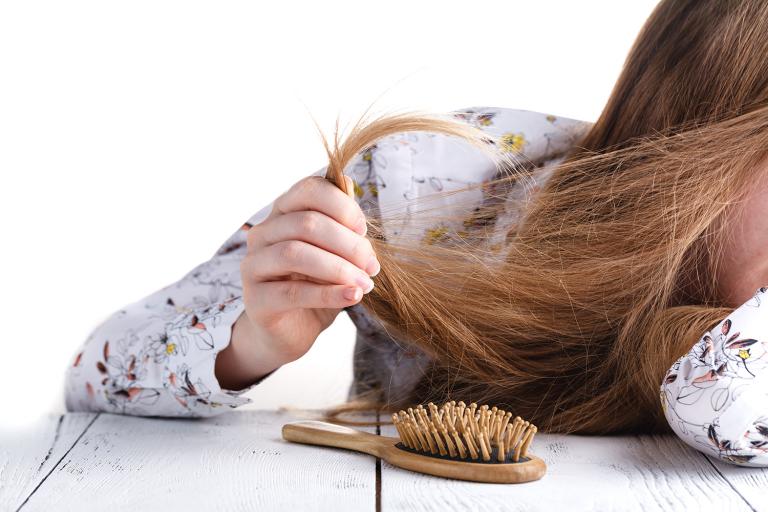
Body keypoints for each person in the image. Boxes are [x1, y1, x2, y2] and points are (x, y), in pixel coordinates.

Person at [65, 0, 768, 467]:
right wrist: (252, 341)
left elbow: (730, 409)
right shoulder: (441, 181)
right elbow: (96, 375)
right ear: (699, 140)